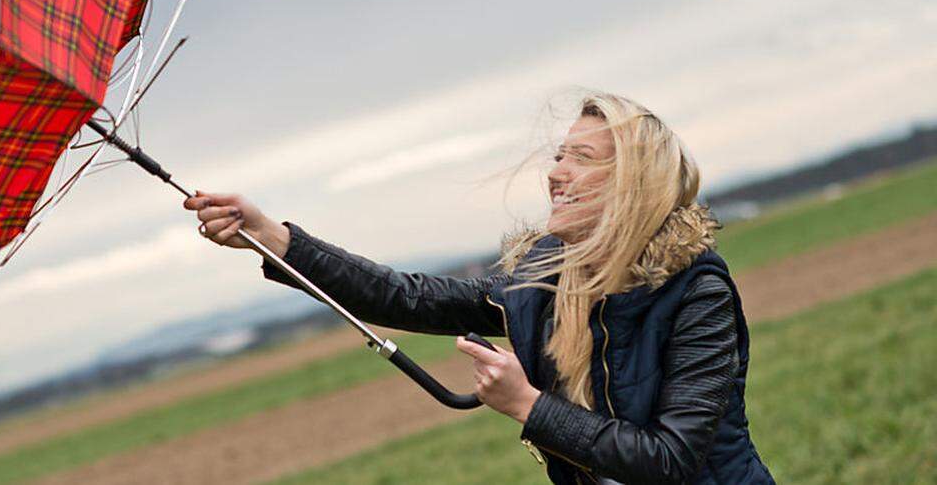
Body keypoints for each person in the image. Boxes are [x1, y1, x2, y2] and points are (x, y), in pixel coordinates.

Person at [184, 91, 774, 484]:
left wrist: (527, 404)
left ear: (634, 185)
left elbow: (670, 461)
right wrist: (276, 239)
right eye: (558, 155)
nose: (556, 172)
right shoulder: (543, 282)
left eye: (581, 158)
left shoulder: (696, 292)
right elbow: (407, 297)